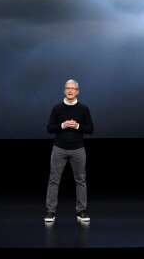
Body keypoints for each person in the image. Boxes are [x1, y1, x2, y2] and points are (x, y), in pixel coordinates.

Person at [44, 78, 94, 224]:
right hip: (59, 148)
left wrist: (78, 126)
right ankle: (50, 211)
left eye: (73, 88)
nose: (70, 90)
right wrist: (62, 125)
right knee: (54, 180)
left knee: (81, 180)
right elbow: (49, 128)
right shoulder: (57, 108)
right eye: (67, 88)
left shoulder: (83, 109)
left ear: (77, 91)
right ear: (64, 90)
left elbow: (90, 129)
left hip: (78, 149)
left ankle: (81, 211)